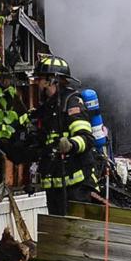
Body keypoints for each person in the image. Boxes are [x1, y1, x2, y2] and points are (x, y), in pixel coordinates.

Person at [27, 54, 99, 216]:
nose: (37, 83)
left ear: (52, 80)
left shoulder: (71, 103)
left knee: (75, 236)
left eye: (40, 79)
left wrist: (71, 145)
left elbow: (86, 138)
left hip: (77, 188)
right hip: (55, 187)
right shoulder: (45, 109)